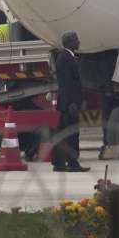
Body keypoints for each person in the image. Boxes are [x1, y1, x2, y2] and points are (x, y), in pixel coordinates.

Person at [52, 31, 90, 172]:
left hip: (68, 103)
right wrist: (71, 104)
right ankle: (72, 164)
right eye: (76, 40)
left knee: (62, 134)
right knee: (72, 134)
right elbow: (66, 84)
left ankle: (59, 163)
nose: (78, 42)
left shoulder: (69, 57)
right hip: (68, 105)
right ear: (70, 43)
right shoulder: (64, 58)